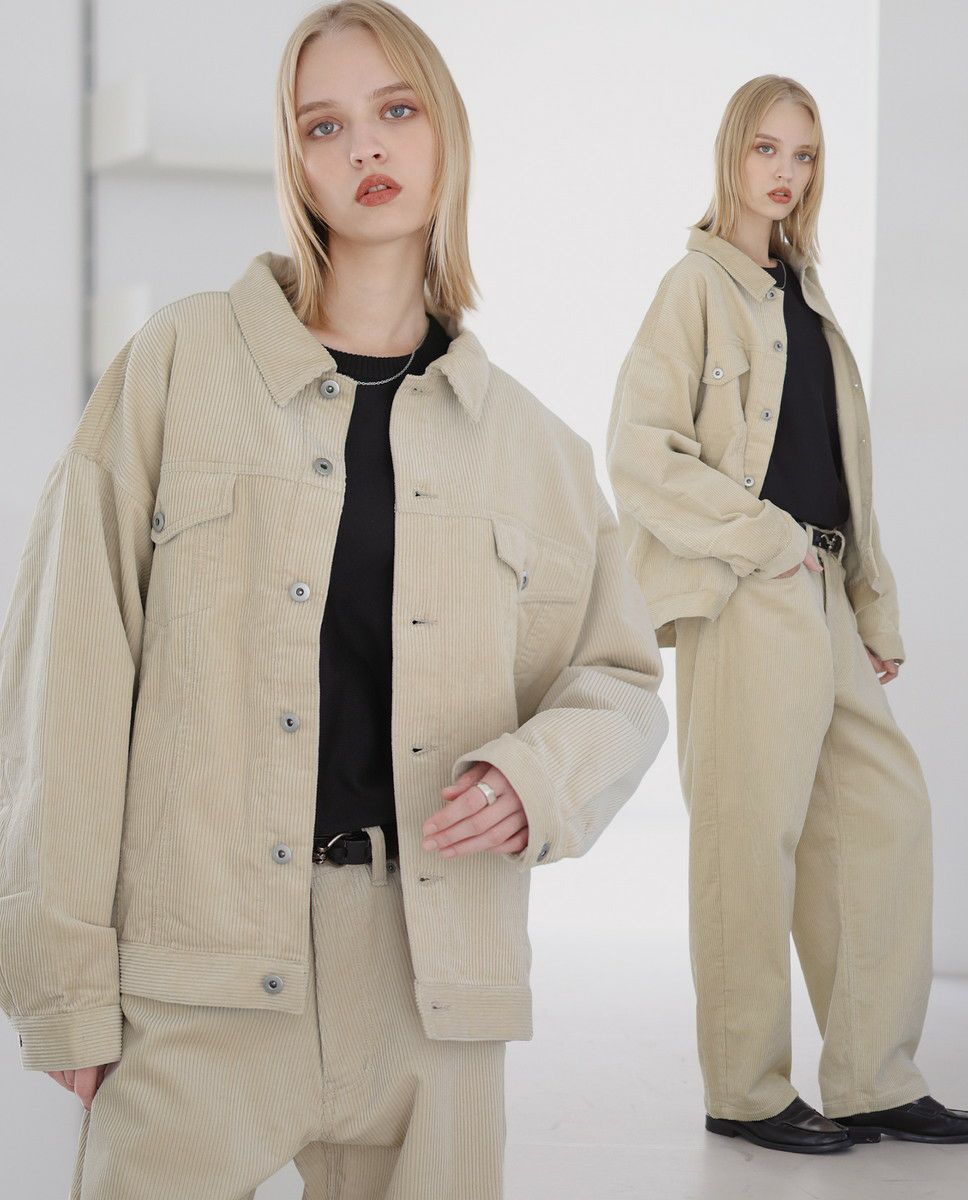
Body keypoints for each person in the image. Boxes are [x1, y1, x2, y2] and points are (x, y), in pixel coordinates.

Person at [0, 3, 668, 1196]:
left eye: (395, 110)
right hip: (197, 978)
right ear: (295, 163)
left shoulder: (535, 448)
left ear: (444, 132)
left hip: (435, 997)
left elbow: (618, 680)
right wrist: (63, 983)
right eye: (324, 125)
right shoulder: (177, 368)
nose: (365, 146)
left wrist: (537, 776)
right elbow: (70, 675)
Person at [605, 74, 968, 1154]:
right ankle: (744, 1091)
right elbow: (639, 454)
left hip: (820, 588)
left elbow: (843, 468)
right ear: (731, 153)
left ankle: (872, 1077)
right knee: (748, 839)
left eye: (805, 154)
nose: (785, 172)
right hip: (747, 591)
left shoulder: (805, 294)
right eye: (766, 149)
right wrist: (765, 542)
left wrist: (870, 606)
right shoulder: (694, 289)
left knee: (882, 816)